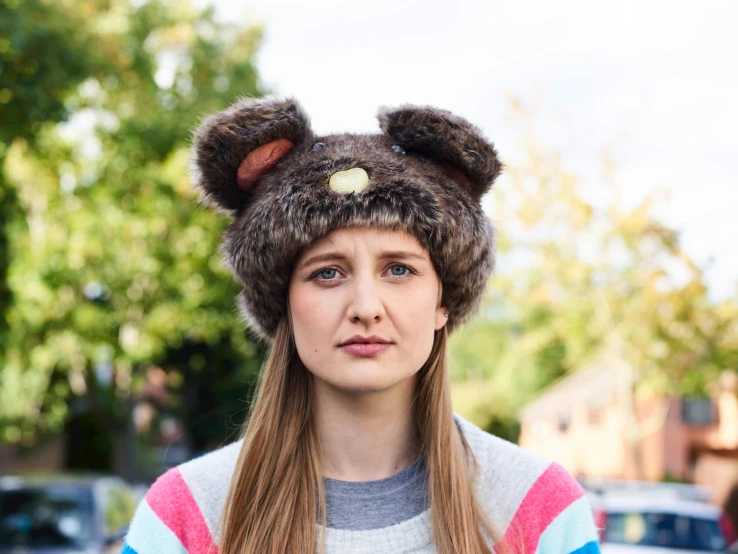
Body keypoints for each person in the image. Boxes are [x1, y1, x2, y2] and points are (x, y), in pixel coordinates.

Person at [121, 97, 601, 554]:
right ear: (283, 303)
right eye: (327, 272)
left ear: (443, 302)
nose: (366, 307)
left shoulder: (538, 510)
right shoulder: (187, 517)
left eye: (399, 269)